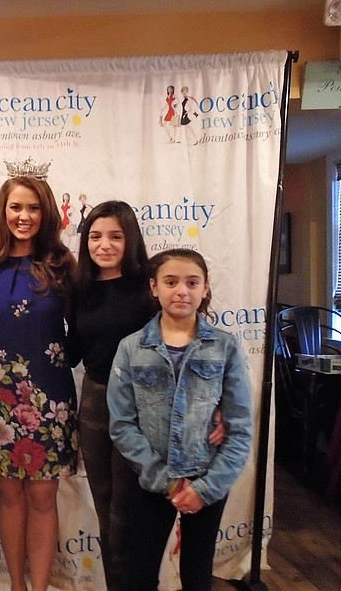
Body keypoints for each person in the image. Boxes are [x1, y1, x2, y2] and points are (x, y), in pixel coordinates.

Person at [68, 203, 225, 590]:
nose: (104, 245)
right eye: (95, 236)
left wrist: (214, 403)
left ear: (131, 239)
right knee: (105, 510)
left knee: (129, 514)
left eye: (116, 236)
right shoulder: (80, 288)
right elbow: (72, 351)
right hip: (93, 399)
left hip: (144, 404)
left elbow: (189, 342)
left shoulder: (148, 287)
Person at [0, 158, 77, 591]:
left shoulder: (62, 264)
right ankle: (16, 586)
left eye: (32, 208)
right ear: (1, 211)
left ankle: (40, 588)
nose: (23, 216)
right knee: (9, 496)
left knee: (43, 497)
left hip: (50, 396)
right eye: (14, 207)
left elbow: (91, 320)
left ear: (45, 213)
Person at [107, 248, 253, 591]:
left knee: (197, 573)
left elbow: (240, 428)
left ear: (205, 289)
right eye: (171, 282)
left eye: (192, 282)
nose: (182, 291)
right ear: (154, 287)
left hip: (207, 478)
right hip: (152, 479)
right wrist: (167, 482)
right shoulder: (131, 348)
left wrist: (206, 488)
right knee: (139, 571)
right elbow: (122, 424)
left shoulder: (225, 347)